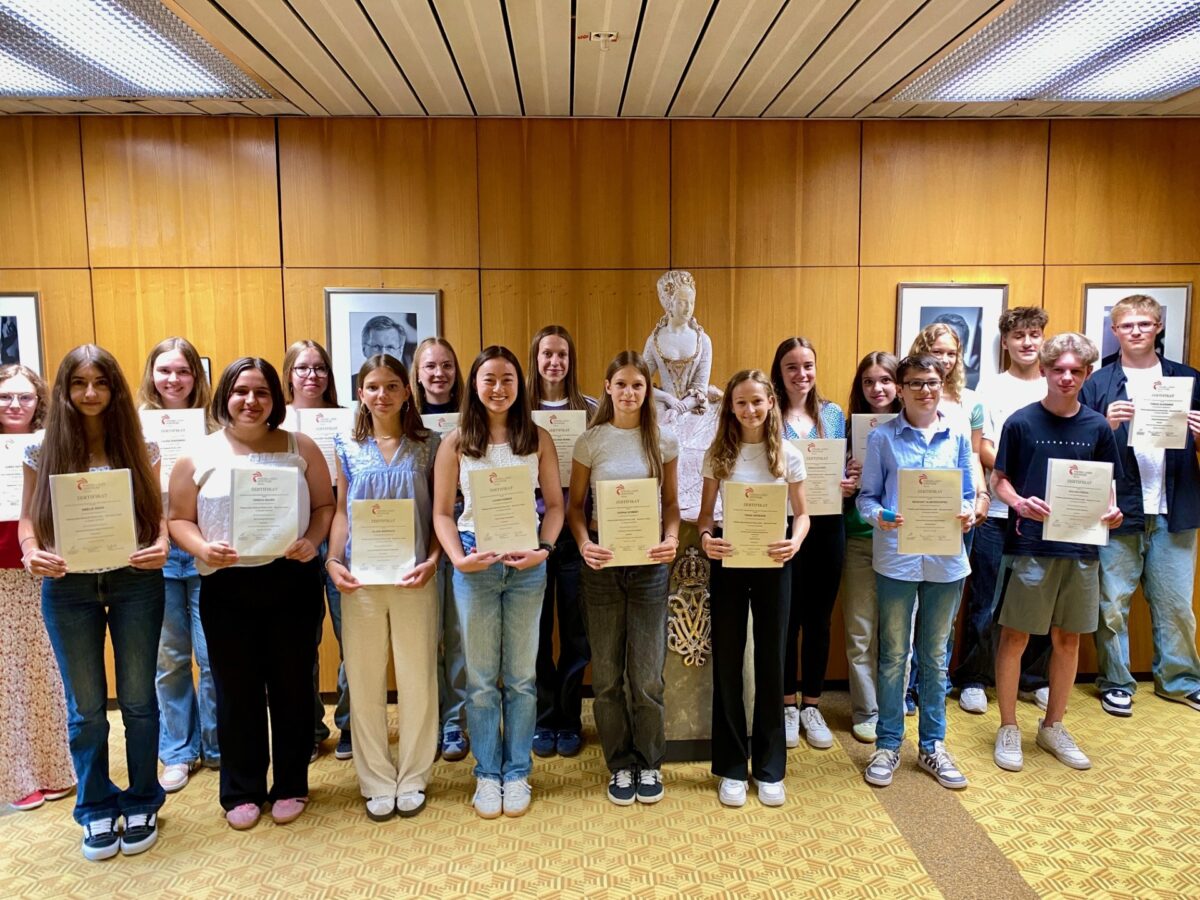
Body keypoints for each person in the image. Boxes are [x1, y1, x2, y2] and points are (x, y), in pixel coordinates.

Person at [169, 358, 334, 830]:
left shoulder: (300, 447)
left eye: (262, 392)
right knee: (235, 690)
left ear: (274, 400)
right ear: (225, 395)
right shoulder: (196, 455)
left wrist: (312, 538)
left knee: (292, 686)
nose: (251, 401)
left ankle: (291, 784)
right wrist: (202, 546)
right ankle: (241, 790)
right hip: (226, 585)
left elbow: (324, 505)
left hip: (291, 579)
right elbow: (178, 518)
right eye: (241, 391)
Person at [20, 345, 169, 859]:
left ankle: (144, 797)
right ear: (63, 389)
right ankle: (96, 806)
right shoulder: (41, 451)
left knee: (137, 699)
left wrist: (164, 543)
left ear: (116, 389)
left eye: (100, 383)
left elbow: (158, 512)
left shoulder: (141, 447)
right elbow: (27, 520)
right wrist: (31, 551)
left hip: (134, 581)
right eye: (79, 383)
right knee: (85, 709)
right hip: (67, 587)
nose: (90, 393)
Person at [432, 346, 562, 819]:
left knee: (523, 677)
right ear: (474, 385)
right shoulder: (456, 441)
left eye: (508, 379)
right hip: (475, 559)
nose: (498, 388)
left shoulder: (538, 438)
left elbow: (556, 506)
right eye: (489, 379)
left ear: (519, 385)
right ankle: (488, 773)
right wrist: (457, 559)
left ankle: (517, 771)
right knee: (483, 678)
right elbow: (442, 513)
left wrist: (543, 550)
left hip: (527, 561)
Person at [991, 333, 1123, 773]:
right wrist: (1018, 503)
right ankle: (1008, 726)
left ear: (1086, 375)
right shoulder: (1021, 422)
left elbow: (1108, 487)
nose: (1066, 377)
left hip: (1082, 549)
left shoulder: (1098, 427)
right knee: (1016, 636)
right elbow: (1000, 480)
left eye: (1076, 371)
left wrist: (1112, 511)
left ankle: (1053, 726)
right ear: (1045, 371)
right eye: (1059, 369)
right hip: (1031, 547)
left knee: (1069, 638)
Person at [326, 355, 440, 821]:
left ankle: (413, 775)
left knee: (417, 679)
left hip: (415, 576)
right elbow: (338, 512)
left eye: (392, 386)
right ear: (360, 393)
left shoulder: (429, 444)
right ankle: (374, 778)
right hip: (361, 581)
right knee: (365, 679)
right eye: (373, 386)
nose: (382, 395)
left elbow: (439, 514)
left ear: (407, 391)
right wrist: (333, 561)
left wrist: (433, 560)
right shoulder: (346, 446)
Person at [857, 354, 975, 791]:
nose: (926, 390)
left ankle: (932, 745)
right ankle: (888, 744)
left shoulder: (957, 434)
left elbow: (968, 495)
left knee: (935, 657)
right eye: (916, 383)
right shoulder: (883, 438)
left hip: (946, 561)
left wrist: (967, 514)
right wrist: (881, 515)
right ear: (901, 389)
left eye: (933, 382)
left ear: (942, 384)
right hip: (897, 559)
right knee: (892, 656)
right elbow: (866, 499)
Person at [1079, 294, 1200, 717]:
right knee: (1111, 604)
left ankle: (1180, 681)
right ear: (1115, 331)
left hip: (1174, 509)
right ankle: (1116, 681)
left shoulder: (1189, 380)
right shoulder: (1096, 384)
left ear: (1158, 327)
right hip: (1118, 510)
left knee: (1176, 604)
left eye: (1144, 324)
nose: (1136, 332)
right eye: (1127, 325)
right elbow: (1081, 452)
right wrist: (1105, 425)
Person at [568, 351, 679, 807]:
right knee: (609, 674)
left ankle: (649, 762)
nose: (630, 392)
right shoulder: (590, 441)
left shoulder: (664, 440)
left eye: (638, 385)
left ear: (647, 390)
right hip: (602, 566)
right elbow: (575, 508)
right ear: (608, 388)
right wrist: (582, 543)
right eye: (622, 384)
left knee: (648, 674)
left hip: (650, 566)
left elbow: (670, 506)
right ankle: (620, 765)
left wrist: (671, 538)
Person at [698, 369, 809, 808]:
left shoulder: (789, 455)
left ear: (770, 405)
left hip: (774, 560)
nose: (749, 410)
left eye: (757, 402)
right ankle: (730, 765)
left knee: (771, 661)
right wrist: (707, 539)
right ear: (730, 407)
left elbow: (802, 515)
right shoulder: (717, 454)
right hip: (728, 558)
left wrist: (795, 540)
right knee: (726, 660)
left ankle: (769, 767)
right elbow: (706, 517)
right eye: (740, 403)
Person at [955, 309, 1052, 714]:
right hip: (996, 511)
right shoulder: (991, 389)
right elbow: (984, 448)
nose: (1027, 342)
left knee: (1038, 598)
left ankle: (1033, 678)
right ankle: (975, 678)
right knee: (985, 599)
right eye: (1019, 335)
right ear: (1005, 343)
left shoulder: (1057, 386)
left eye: (1034, 334)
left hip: (1046, 513)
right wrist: (1020, 483)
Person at [137, 337, 219, 793]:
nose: (173, 380)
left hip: (204, 544)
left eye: (183, 371)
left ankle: (216, 744)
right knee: (169, 658)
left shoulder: (214, 426)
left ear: (196, 377)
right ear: (151, 374)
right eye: (165, 370)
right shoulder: (133, 427)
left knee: (210, 655)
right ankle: (178, 751)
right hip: (158, 549)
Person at [771, 337, 853, 750]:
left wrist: (849, 481)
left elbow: (847, 466)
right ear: (779, 371)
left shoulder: (834, 414)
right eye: (792, 366)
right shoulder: (769, 414)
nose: (801, 374)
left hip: (828, 524)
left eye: (807, 366)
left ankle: (812, 705)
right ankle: (787, 705)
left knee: (820, 619)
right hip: (783, 523)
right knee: (788, 616)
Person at [0, 364, 75, 812]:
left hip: (43, 566)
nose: (15, 405)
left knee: (46, 670)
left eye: (25, 397)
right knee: (6, 678)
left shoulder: (47, 447)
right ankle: (16, 775)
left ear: (39, 403)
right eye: (6, 397)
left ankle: (55, 769)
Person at [528, 325, 597, 759]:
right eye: (547, 354)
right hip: (527, 532)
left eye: (562, 355)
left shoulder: (589, 409)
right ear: (535, 359)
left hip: (574, 532)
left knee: (576, 631)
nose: (555, 362)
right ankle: (543, 717)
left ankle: (569, 716)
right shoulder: (520, 410)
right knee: (534, 631)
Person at [282, 340, 351, 762]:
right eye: (303, 368)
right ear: (289, 373)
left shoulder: (350, 419)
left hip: (345, 531)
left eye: (320, 368)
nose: (312, 376)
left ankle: (351, 725)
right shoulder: (277, 424)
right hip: (298, 536)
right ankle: (307, 727)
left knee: (352, 636)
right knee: (299, 641)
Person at [841, 351, 903, 744]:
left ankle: (894, 706)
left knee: (898, 635)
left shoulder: (914, 427)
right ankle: (866, 710)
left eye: (884, 380)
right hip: (858, 538)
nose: (876, 388)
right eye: (868, 381)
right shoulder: (846, 430)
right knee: (860, 631)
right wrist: (846, 477)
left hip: (901, 542)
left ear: (899, 384)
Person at [412, 337, 470, 762]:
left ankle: (456, 722)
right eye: (430, 366)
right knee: (425, 634)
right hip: (414, 534)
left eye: (447, 365)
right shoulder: (404, 418)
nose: (438, 373)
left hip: (464, 530)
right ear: (416, 373)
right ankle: (428, 718)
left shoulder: (473, 418)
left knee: (459, 634)